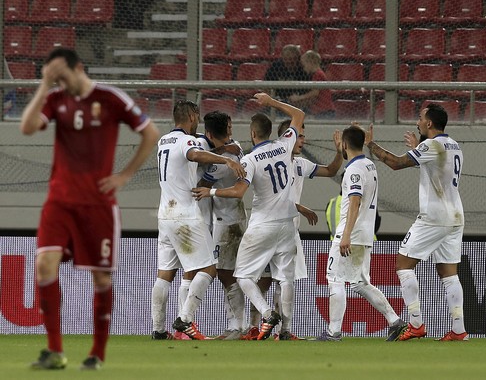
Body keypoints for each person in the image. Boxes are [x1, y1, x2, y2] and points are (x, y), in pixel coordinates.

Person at [20, 48, 159, 370]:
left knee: (101, 280)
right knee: (44, 265)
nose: (60, 83)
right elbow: (27, 128)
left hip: (97, 204)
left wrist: (124, 176)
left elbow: (150, 133)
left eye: (62, 76)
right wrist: (44, 85)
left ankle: (97, 353)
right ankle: (55, 351)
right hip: (59, 200)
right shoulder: (55, 98)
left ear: (79, 68)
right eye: (55, 79)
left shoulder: (110, 98)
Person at [192, 92, 305, 341]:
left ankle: (261, 315)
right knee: (285, 279)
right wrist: (272, 102)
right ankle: (284, 331)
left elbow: (238, 191)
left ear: (253, 134)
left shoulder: (250, 159)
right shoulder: (284, 144)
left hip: (259, 223)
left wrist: (209, 191)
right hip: (287, 224)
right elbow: (299, 114)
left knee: (241, 275)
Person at [365, 104, 469, 342]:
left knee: (403, 265)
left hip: (434, 217)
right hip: (455, 216)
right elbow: (436, 168)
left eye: (421, 118)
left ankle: (415, 324)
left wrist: (370, 144)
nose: (418, 122)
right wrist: (417, 149)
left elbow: (396, 163)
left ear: (430, 123)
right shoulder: (453, 145)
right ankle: (458, 330)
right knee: (448, 273)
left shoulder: (430, 145)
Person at [154, 101, 245, 341]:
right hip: (185, 215)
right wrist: (226, 158)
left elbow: (196, 152)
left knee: (165, 274)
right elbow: (194, 153)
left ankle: (158, 330)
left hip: (165, 214)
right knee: (208, 268)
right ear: (193, 116)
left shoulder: (163, 141)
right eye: (197, 116)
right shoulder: (189, 142)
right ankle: (184, 321)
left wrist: (221, 150)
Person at [317, 125, 407, 342]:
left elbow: (355, 202)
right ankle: (395, 321)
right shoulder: (369, 165)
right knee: (360, 283)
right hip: (365, 234)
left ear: (345, 144)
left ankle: (333, 332)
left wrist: (346, 235)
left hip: (352, 233)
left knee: (335, 279)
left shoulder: (354, 169)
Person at [267, 119, 342, 339]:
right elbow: (270, 198)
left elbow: (330, 170)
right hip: (268, 228)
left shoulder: (299, 164)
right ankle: (254, 326)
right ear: (286, 138)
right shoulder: (270, 161)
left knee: (284, 282)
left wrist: (339, 153)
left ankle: (283, 331)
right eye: (299, 135)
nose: (303, 139)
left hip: (289, 231)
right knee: (263, 281)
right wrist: (299, 207)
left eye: (303, 135)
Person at [195, 111, 247, 341]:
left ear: (208, 133)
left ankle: (236, 326)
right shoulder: (234, 147)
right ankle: (236, 325)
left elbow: (200, 185)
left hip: (228, 223)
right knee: (229, 274)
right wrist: (222, 151)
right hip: (233, 218)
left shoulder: (221, 164)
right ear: (228, 128)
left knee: (227, 275)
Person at [288, 50, 335, 118]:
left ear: (310, 62)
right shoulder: (317, 74)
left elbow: (315, 93)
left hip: (324, 110)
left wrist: (298, 98)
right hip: (321, 110)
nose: (303, 68)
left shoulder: (318, 74)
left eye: (304, 65)